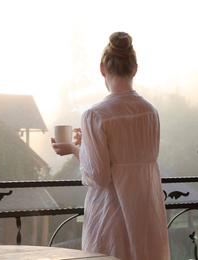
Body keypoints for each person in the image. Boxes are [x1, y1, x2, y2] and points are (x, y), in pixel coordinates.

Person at [51, 32, 170, 259]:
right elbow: (133, 157)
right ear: (135, 69)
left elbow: (99, 176)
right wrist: (88, 144)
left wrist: (75, 150)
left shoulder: (94, 115)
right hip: (146, 213)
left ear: (102, 69)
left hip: (111, 216)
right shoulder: (150, 112)